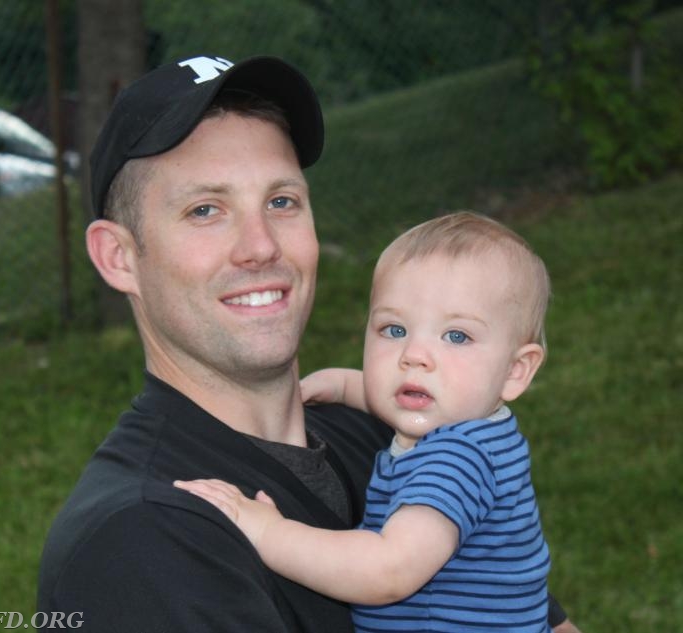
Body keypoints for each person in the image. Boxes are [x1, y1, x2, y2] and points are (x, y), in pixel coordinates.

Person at [36, 54, 579, 632]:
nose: (261, 246)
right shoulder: (142, 540)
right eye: (205, 210)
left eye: (281, 201)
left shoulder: (398, 430)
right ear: (119, 258)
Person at [176, 211, 560, 631]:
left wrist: (268, 533)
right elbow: (414, 400)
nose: (414, 356)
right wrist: (347, 386)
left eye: (456, 337)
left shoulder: (456, 460)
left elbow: (388, 571)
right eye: (394, 330)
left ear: (515, 371)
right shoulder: (480, 426)